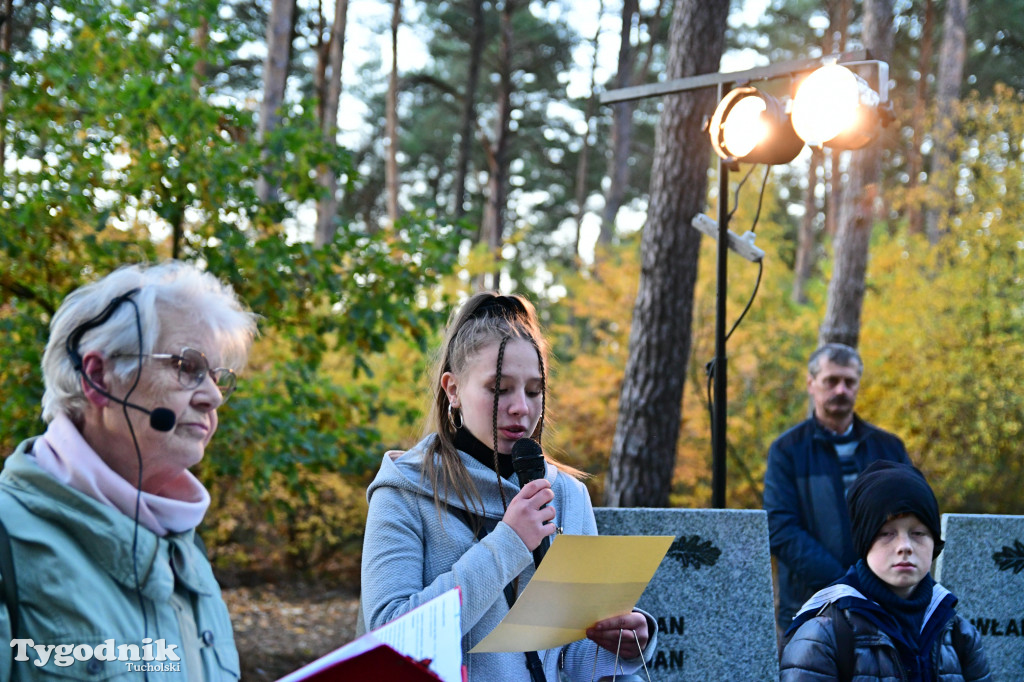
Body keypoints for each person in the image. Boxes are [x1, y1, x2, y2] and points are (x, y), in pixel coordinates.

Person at [360, 292, 658, 681]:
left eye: (534, 390)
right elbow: (390, 640)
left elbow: (574, 660)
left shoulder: (566, 494)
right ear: (453, 390)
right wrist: (509, 544)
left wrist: (626, 639)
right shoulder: (405, 490)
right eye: (499, 389)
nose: (522, 407)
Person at [0, 261, 257, 679]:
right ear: (97, 377)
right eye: (186, 367)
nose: (212, 396)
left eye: (216, 376)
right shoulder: (8, 541)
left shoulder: (186, 553)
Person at [780, 460, 992, 681]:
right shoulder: (824, 635)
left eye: (918, 533)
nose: (904, 547)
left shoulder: (958, 633)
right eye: (887, 533)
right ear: (865, 541)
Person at [764, 343, 911, 632]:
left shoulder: (889, 448)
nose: (841, 390)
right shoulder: (787, 450)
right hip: (810, 607)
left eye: (849, 381)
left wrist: (877, 579)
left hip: (885, 605)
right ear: (811, 383)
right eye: (831, 380)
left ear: (857, 385)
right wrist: (847, 582)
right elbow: (780, 528)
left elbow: (914, 519)